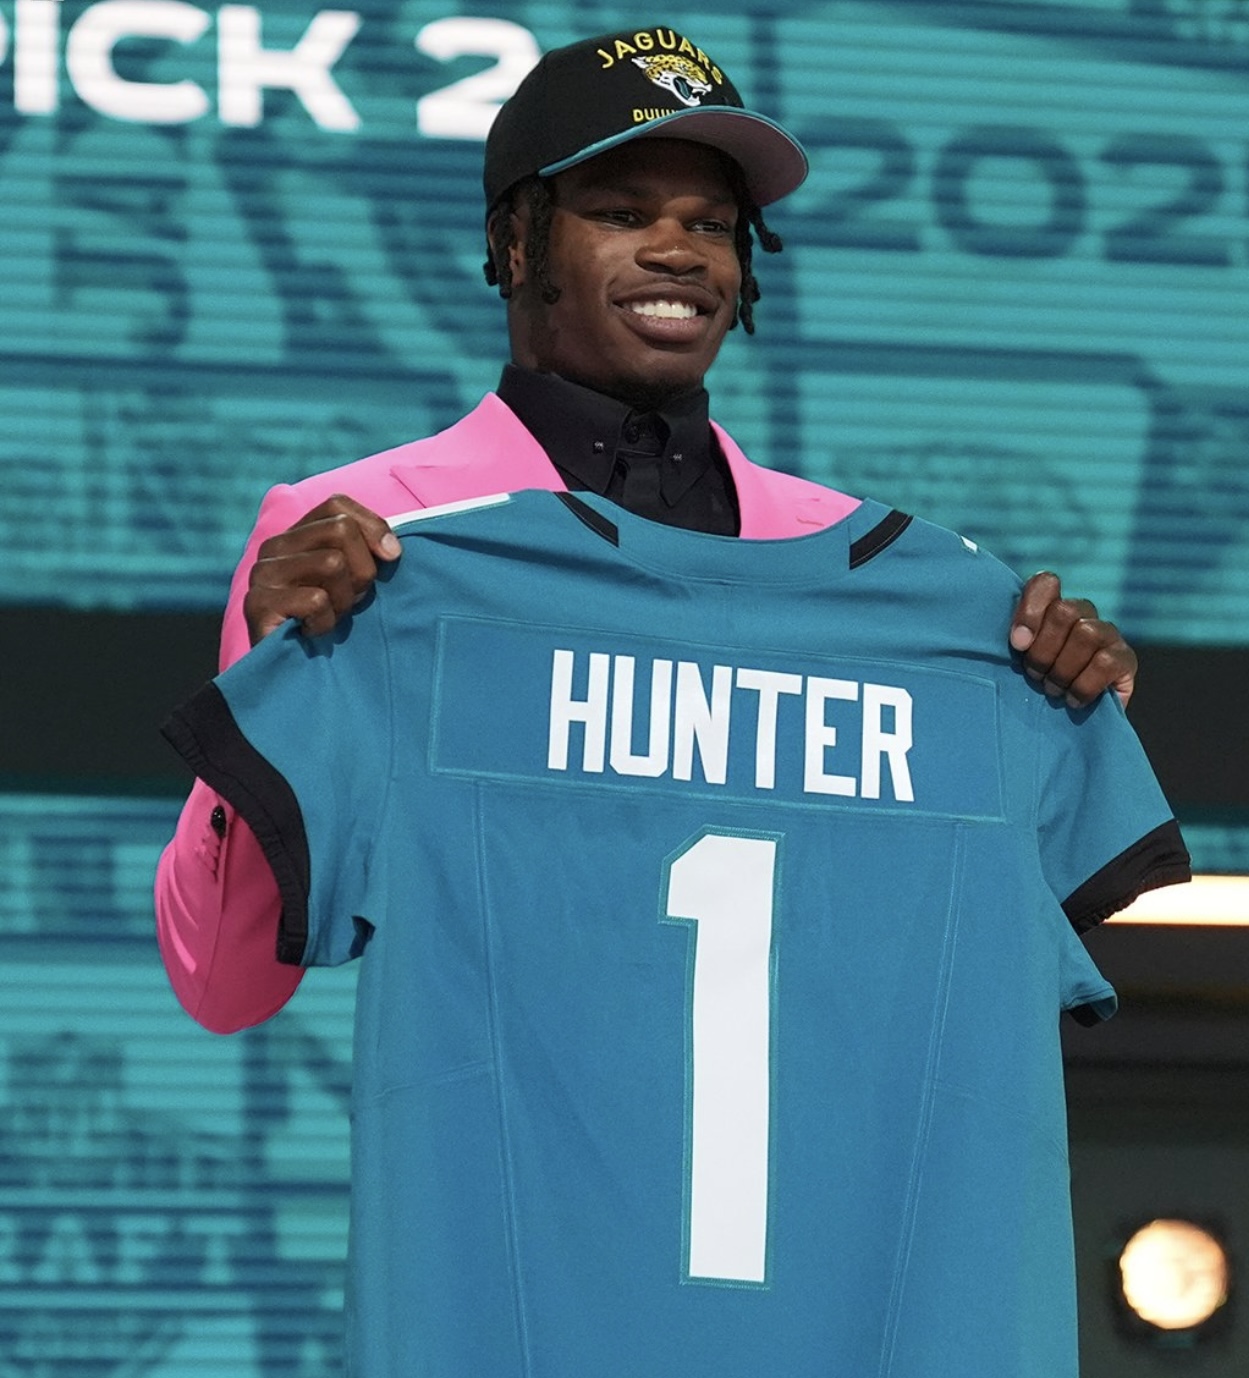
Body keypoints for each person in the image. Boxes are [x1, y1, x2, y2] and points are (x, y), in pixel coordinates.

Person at [156, 24, 1144, 1036]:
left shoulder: (866, 564)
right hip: (504, 1134)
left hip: (810, 1129)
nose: (678, 251)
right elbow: (222, 987)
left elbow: (963, 944)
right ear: (516, 243)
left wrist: (1063, 706)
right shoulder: (371, 535)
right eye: (622, 213)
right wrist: (265, 709)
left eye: (711, 224)